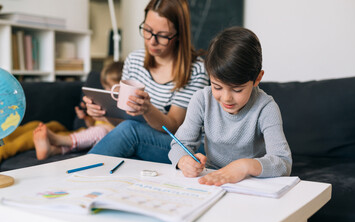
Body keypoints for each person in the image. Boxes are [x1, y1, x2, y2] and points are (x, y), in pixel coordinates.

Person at [84, 0, 209, 163]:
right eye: (147, 30)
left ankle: (74, 175)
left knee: (131, 132)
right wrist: (105, 112)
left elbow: (174, 128)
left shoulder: (196, 70)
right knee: (128, 142)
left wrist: (148, 110)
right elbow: (122, 123)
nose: (152, 41)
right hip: (146, 142)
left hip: (185, 147)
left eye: (163, 35)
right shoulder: (134, 60)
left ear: (179, 35)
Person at [168, 26, 293, 186]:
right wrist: (183, 160)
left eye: (237, 89)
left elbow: (283, 162)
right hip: (212, 178)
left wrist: (245, 166)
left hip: (251, 181)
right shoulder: (201, 100)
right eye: (217, 87)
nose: (226, 98)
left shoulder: (266, 108)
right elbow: (179, 144)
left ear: (257, 78)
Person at [32, 61, 123, 160]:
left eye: (112, 88)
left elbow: (125, 128)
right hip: (96, 140)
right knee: (90, 135)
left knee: (100, 132)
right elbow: (92, 127)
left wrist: (105, 119)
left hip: (112, 139)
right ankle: (52, 150)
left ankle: (58, 139)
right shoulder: (105, 102)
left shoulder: (124, 104)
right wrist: (86, 117)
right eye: (105, 88)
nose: (108, 92)